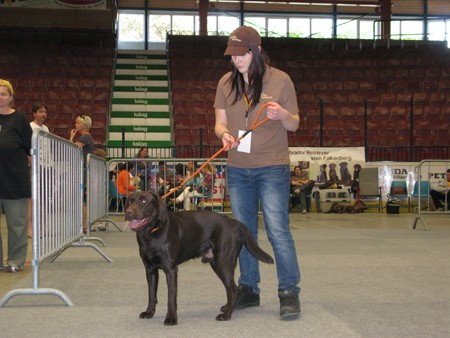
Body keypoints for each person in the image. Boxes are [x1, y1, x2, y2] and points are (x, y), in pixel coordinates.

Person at [214, 26, 301, 319]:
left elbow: (294, 124)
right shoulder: (226, 82)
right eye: (232, 56)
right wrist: (225, 135)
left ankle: (288, 292)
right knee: (243, 232)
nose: (236, 61)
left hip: (272, 167)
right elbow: (219, 123)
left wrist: (283, 115)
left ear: (257, 51)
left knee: (278, 231)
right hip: (238, 169)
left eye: (242, 55)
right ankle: (249, 288)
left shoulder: (281, 80)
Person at [0, 79, 33, 272]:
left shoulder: (19, 120)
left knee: (16, 225)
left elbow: (31, 151)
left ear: (11, 97)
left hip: (14, 180)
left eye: (3, 94)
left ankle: (15, 260)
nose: (0, 97)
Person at [28, 102, 50, 238]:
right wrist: (30, 161)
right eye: (41, 111)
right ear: (34, 113)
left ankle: (42, 228)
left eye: (45, 112)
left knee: (43, 198)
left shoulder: (46, 128)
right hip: (33, 166)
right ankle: (30, 227)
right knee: (31, 198)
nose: (43, 114)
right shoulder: (30, 127)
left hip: (46, 166)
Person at [69, 115, 94, 233]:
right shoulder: (87, 137)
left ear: (84, 125)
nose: (75, 125)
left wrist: (71, 138)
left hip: (82, 170)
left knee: (82, 198)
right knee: (82, 198)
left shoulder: (85, 137)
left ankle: (83, 225)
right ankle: (83, 225)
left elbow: (72, 149)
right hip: (82, 169)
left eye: (78, 123)